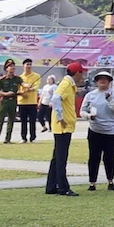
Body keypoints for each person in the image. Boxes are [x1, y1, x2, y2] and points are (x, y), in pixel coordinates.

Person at [82, 70, 114, 191]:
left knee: (109, 157)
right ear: (96, 81)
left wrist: (110, 99)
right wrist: (89, 116)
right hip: (95, 129)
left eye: (105, 79)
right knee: (94, 157)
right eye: (100, 79)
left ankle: (110, 181)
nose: (102, 81)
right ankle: (92, 183)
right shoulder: (90, 95)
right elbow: (82, 111)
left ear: (110, 82)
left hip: (111, 131)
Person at [44, 63, 82, 196]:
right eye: (81, 74)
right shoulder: (66, 84)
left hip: (63, 126)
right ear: (77, 73)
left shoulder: (68, 84)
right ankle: (63, 187)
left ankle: (51, 186)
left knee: (57, 157)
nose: (82, 77)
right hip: (63, 127)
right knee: (61, 158)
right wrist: (60, 117)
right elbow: (55, 99)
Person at [0, 60, 22, 144]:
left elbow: (24, 84)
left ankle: (8, 139)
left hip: (13, 101)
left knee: (11, 121)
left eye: (13, 66)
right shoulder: (2, 79)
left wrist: (28, 86)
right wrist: (6, 93)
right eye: (10, 66)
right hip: (4, 101)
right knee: (0, 120)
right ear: (6, 68)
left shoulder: (17, 79)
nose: (12, 68)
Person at [16, 58, 41, 143]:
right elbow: (18, 89)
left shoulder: (36, 76)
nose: (29, 66)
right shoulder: (19, 78)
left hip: (32, 102)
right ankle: (23, 137)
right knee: (23, 121)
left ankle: (32, 137)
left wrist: (31, 88)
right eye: (27, 64)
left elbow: (36, 87)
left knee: (32, 121)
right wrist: (23, 93)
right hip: (22, 102)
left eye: (30, 64)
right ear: (23, 66)